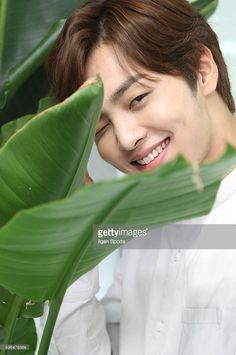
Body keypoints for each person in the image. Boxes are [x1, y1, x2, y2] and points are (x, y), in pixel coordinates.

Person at [35, 0, 236, 354]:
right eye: (101, 128)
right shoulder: (139, 220)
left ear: (202, 70)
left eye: (138, 98)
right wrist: (71, 247)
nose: (126, 139)